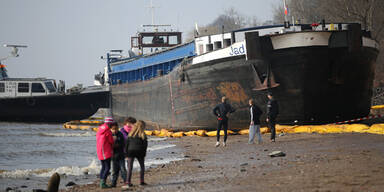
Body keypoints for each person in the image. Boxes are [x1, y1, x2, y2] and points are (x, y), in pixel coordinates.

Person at [122, 120, 148, 189]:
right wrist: (144, 154)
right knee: (142, 166)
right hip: (140, 152)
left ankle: (128, 182)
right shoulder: (143, 134)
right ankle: (141, 181)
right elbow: (145, 145)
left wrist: (126, 154)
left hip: (130, 152)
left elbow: (126, 145)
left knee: (130, 167)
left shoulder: (130, 134)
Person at [96, 117, 114, 188]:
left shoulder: (99, 129)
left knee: (103, 167)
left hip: (99, 151)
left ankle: (101, 182)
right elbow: (111, 141)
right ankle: (103, 183)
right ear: (110, 124)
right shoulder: (108, 131)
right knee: (107, 167)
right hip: (106, 151)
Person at [110, 122, 127, 187]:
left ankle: (126, 181)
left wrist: (116, 142)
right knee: (114, 171)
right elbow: (108, 145)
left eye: (116, 129)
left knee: (123, 169)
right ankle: (113, 183)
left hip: (121, 155)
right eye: (113, 129)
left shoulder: (120, 134)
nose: (115, 130)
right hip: (113, 157)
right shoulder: (109, 135)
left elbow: (123, 144)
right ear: (110, 129)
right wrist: (113, 142)